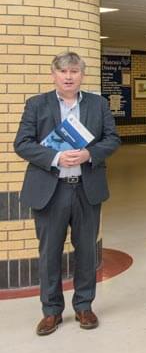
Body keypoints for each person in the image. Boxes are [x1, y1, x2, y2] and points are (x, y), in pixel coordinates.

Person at [13, 52, 121, 336]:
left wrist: (89, 153)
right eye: (63, 72)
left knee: (86, 251)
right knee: (49, 253)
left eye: (74, 71)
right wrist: (56, 157)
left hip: (86, 190)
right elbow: (22, 143)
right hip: (51, 190)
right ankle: (51, 312)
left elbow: (112, 139)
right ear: (54, 75)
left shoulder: (98, 104)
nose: (69, 76)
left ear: (82, 75)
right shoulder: (37, 104)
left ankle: (84, 306)